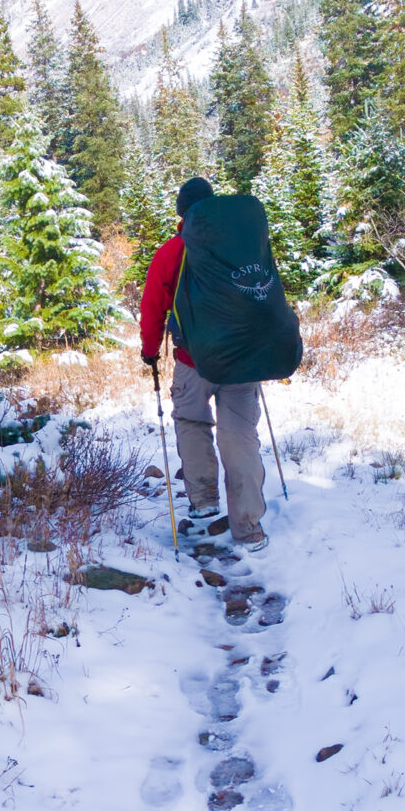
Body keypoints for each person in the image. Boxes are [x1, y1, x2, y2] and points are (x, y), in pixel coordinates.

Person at [140, 177, 270, 552]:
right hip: (243, 361)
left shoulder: (172, 251)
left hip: (193, 361)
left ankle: (204, 500)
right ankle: (248, 526)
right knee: (240, 437)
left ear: (182, 215)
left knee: (193, 423)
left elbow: (153, 307)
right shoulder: (240, 245)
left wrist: (150, 351)